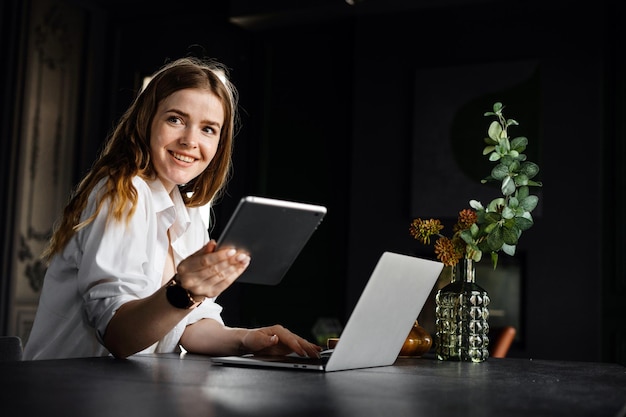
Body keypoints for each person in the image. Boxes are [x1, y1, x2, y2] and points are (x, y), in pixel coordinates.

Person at [23, 56, 322, 361]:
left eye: (208, 129)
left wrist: (250, 339)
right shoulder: (121, 193)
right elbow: (119, 336)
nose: (190, 140)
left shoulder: (188, 212)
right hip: (65, 390)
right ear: (147, 122)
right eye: (175, 119)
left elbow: (187, 327)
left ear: (220, 143)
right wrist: (184, 291)